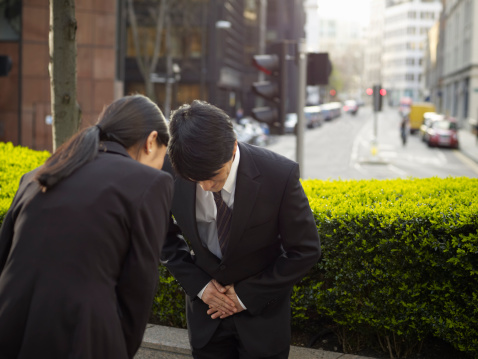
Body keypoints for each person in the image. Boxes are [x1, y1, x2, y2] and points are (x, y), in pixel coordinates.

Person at [0, 94, 174, 359]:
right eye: (163, 155)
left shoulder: (36, 175)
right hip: (82, 337)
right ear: (151, 141)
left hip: (11, 327)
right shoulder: (149, 183)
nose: (160, 165)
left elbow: (4, 255)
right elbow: (137, 290)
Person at [161, 100, 321, 359]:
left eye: (214, 176)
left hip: (263, 321)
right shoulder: (170, 169)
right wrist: (201, 287)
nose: (204, 187)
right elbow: (162, 237)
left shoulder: (279, 174)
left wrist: (245, 295)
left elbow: (305, 250)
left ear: (233, 147)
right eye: (195, 179)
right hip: (206, 318)